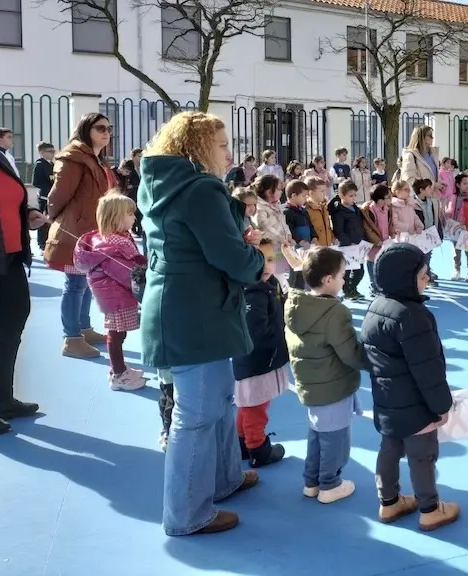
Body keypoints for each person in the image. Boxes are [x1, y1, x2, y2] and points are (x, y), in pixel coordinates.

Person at [138, 111, 266, 536]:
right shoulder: (200, 189)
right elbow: (228, 258)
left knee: (219, 399)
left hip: (184, 307)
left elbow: (194, 242)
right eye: (222, 144)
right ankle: (187, 515)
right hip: (195, 312)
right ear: (198, 147)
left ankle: (225, 479)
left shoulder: (163, 183)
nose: (229, 152)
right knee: (195, 414)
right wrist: (258, 260)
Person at [360, 243, 459, 531]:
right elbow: (428, 369)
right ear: (405, 278)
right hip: (417, 405)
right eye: (423, 274)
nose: (427, 278)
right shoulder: (412, 316)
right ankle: (430, 508)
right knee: (422, 455)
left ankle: (388, 501)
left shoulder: (376, 306)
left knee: (389, 449)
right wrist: (441, 406)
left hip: (387, 400)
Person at [0, 101, 46, 434]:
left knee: (9, 328)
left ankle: (2, 398)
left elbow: (9, 203)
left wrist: (27, 217)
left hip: (9, 258)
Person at [286, 247, 364, 503]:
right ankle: (329, 484)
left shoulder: (296, 306)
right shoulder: (334, 312)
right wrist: (376, 360)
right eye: (342, 275)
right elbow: (350, 353)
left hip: (310, 384)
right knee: (336, 437)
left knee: (317, 434)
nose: (344, 280)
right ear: (327, 279)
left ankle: (312, 481)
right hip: (334, 384)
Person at [46, 112, 115, 359]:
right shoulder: (74, 158)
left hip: (93, 233)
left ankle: (83, 329)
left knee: (86, 284)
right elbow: (57, 196)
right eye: (100, 128)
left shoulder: (96, 159)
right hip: (76, 232)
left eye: (109, 128)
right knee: (75, 285)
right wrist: (57, 220)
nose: (107, 132)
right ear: (86, 129)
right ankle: (71, 338)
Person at [72, 193, 147, 391]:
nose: (134, 217)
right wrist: (143, 284)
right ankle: (118, 374)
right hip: (115, 297)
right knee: (116, 334)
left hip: (115, 295)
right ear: (116, 217)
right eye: (130, 214)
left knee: (118, 334)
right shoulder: (112, 245)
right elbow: (125, 273)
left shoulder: (115, 239)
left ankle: (119, 368)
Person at [231, 239, 289, 468]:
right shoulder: (253, 291)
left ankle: (241, 442)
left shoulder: (269, 284)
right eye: (259, 260)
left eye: (271, 259)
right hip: (257, 360)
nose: (266, 266)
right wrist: (281, 343)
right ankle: (257, 448)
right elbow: (257, 331)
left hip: (259, 359)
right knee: (256, 405)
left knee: (248, 404)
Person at [329, 180, 369, 300]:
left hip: (358, 244)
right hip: (347, 246)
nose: (353, 198)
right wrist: (348, 242)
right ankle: (347, 290)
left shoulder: (355, 208)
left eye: (354, 195)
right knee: (346, 271)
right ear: (342, 196)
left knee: (360, 270)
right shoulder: (339, 212)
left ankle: (353, 288)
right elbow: (338, 230)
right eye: (350, 195)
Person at [362, 184, 393, 296]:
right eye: (388, 197)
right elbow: (368, 229)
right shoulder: (368, 211)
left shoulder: (388, 209)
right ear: (380, 200)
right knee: (371, 263)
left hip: (385, 242)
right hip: (374, 244)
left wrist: (392, 233)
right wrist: (376, 241)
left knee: (382, 264)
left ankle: (381, 285)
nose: (390, 199)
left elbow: (390, 223)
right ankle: (373, 286)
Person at [413, 178, 442, 287]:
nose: (432, 189)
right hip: (420, 235)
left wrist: (438, 231)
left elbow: (437, 217)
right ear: (422, 190)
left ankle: (426, 275)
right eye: (429, 187)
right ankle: (424, 276)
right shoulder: (414, 204)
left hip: (430, 233)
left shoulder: (432, 201)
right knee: (421, 257)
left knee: (428, 256)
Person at [32, 141, 55, 251]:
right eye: (50, 151)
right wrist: (47, 185)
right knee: (43, 219)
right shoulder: (40, 164)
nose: (53, 153)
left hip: (52, 196)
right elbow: (35, 182)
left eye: (54, 151)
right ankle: (42, 243)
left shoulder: (52, 164)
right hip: (44, 196)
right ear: (42, 152)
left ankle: (49, 240)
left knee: (51, 219)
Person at [304, 177, 335, 248]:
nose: (325, 193)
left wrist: (333, 238)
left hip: (328, 247)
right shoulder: (307, 210)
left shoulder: (324, 207)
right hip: (317, 250)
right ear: (311, 193)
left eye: (325, 191)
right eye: (322, 191)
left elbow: (328, 227)